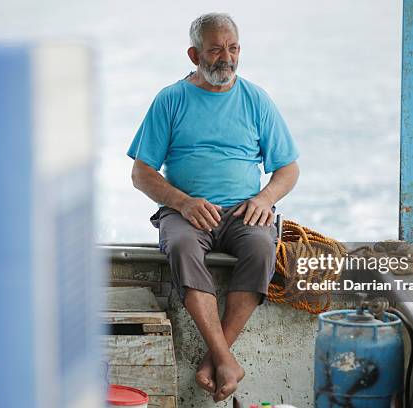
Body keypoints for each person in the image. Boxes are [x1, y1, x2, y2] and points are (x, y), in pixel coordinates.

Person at [127, 12, 300, 402]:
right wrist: (182, 202)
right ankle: (225, 359)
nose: (226, 57)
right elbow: (142, 173)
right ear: (194, 55)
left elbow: (287, 168)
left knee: (260, 247)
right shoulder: (170, 99)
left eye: (233, 48)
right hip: (185, 214)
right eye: (215, 49)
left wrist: (265, 198)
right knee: (184, 248)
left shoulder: (256, 100)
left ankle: (216, 358)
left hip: (244, 212)